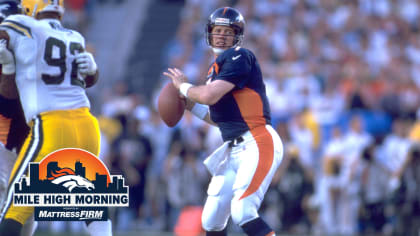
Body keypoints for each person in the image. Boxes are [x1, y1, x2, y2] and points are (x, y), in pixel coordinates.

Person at [164, 7, 283, 236]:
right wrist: (189, 105)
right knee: (211, 220)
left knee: (243, 211)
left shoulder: (240, 55)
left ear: (237, 35)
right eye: (217, 30)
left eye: (227, 31)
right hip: (234, 148)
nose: (221, 35)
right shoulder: (215, 69)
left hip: (257, 141)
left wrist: (184, 87)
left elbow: (208, 96)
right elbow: (220, 118)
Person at [0, 0, 112, 235]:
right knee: (90, 198)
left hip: (44, 130)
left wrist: (92, 71)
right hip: (75, 126)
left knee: (17, 214)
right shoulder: (72, 35)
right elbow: (7, 106)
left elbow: (82, 77)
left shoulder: (25, 34)